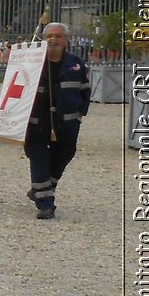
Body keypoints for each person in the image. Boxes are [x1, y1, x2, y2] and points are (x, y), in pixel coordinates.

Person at [24, 22, 92, 220]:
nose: (53, 39)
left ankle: (42, 186)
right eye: (49, 36)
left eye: (58, 36)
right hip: (37, 120)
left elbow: (85, 89)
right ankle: (45, 204)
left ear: (66, 40)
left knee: (65, 154)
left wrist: (81, 112)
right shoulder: (32, 62)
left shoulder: (76, 63)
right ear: (44, 39)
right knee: (38, 157)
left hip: (67, 121)